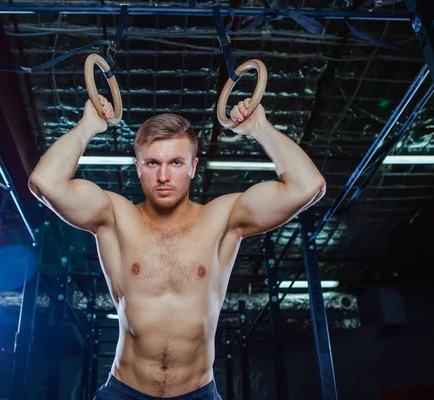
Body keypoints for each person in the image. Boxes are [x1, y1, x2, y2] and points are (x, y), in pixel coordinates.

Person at [28, 95, 326, 399]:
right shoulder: (114, 216)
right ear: (138, 167)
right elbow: (45, 183)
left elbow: (308, 187)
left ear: (193, 167)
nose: (163, 176)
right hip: (125, 391)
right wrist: (87, 126)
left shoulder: (223, 218)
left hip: (197, 392)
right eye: (153, 163)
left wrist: (260, 127)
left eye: (176, 163)